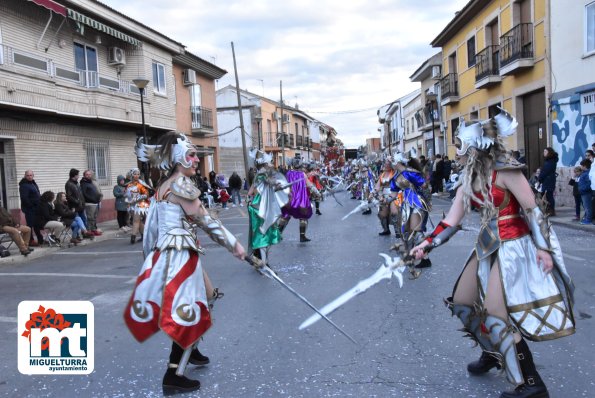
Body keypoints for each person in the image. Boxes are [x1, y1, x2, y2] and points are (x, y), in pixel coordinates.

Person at [411, 112, 574, 398]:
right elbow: (451, 220)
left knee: (497, 313)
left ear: (475, 146)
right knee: (462, 302)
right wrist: (426, 244)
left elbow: (533, 209)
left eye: (460, 143)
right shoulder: (468, 178)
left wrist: (545, 248)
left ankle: (532, 383)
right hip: (488, 244)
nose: (457, 150)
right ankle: (494, 353)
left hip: (515, 244)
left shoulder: (506, 170)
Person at [124, 132, 246, 393]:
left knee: (209, 295)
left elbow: (154, 227)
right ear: (179, 159)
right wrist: (235, 246)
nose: (195, 160)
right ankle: (174, 373)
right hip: (178, 254)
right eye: (191, 155)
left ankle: (192, 348)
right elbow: (205, 220)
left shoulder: (165, 185)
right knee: (188, 308)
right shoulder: (180, 185)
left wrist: (151, 256)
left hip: (175, 251)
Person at [389, 151, 430, 268]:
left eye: (392, 162)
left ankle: (426, 259)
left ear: (397, 162)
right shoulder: (396, 177)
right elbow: (393, 194)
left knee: (416, 231)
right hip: (406, 204)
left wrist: (419, 188)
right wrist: (384, 200)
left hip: (417, 203)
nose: (391, 164)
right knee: (406, 231)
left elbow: (424, 186)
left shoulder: (410, 173)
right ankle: (411, 255)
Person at [246, 149, 288, 265]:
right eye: (269, 162)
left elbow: (251, 191)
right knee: (263, 235)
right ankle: (264, 263)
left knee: (266, 235)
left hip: (260, 207)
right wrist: (278, 186)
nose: (271, 165)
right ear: (264, 164)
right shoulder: (263, 174)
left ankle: (260, 259)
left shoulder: (258, 175)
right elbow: (270, 183)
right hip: (260, 208)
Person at [278, 157, 315, 242]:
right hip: (300, 200)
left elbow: (283, 184)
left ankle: (278, 235)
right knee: (303, 218)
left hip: (289, 199)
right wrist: (317, 193)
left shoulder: (288, 174)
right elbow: (309, 185)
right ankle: (302, 236)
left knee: (285, 216)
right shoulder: (303, 174)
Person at [126, 168, 151, 244]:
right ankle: (144, 236)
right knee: (139, 222)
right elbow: (127, 196)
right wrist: (128, 203)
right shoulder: (129, 185)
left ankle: (133, 237)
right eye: (135, 174)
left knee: (135, 221)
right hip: (132, 205)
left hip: (140, 205)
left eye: (138, 174)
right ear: (131, 175)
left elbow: (146, 195)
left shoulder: (141, 184)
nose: (136, 175)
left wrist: (137, 198)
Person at [371, 158, 395, 235]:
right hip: (384, 196)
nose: (386, 165)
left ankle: (398, 232)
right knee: (382, 213)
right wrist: (373, 192)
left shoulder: (395, 173)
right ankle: (386, 230)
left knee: (395, 213)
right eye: (385, 164)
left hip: (394, 195)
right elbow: (378, 185)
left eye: (388, 164)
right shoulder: (382, 175)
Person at [18, 170, 43, 246]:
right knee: (30, 225)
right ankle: (30, 240)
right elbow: (24, 198)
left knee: (36, 224)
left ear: (33, 176)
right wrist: (31, 205)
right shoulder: (24, 185)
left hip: (36, 208)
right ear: (25, 176)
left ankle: (40, 239)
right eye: (28, 175)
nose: (29, 177)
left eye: (31, 175)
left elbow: (37, 194)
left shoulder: (33, 183)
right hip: (30, 209)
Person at [80, 170, 103, 236]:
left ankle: (93, 229)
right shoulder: (83, 183)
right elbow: (84, 194)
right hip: (89, 203)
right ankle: (89, 231)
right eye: (87, 174)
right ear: (84, 175)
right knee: (90, 218)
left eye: (90, 174)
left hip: (95, 203)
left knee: (94, 218)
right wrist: (92, 199)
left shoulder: (90, 182)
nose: (89, 175)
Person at [538, 147, 558, 216]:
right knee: (547, 195)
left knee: (548, 196)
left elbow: (545, 171)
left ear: (549, 153)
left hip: (548, 180)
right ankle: (548, 210)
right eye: (544, 151)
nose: (544, 153)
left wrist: (540, 178)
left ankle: (551, 210)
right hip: (547, 180)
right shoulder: (549, 161)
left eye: (545, 151)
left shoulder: (551, 161)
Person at [578, 159, 592, 225]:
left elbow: (589, 183)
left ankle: (588, 219)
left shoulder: (587, 174)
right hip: (583, 192)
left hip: (586, 193)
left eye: (581, 166)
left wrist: (583, 189)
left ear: (584, 166)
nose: (580, 167)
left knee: (587, 206)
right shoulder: (584, 173)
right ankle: (587, 218)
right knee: (585, 206)